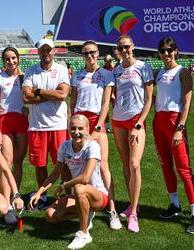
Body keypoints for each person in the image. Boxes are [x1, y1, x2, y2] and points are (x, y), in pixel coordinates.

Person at [29, 114, 109, 249]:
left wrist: (64, 185)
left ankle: (84, 234)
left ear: (87, 129)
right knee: (50, 216)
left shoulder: (93, 146)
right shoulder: (65, 147)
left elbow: (85, 178)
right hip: (77, 195)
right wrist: (39, 192)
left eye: (80, 129)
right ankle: (86, 213)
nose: (76, 132)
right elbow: (54, 174)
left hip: (98, 196)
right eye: (73, 128)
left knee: (79, 187)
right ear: (68, 129)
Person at [70, 40, 122, 230]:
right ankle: (87, 208)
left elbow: (106, 104)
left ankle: (112, 209)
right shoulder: (77, 75)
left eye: (92, 52)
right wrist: (72, 125)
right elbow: (72, 103)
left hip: (96, 123)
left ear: (98, 53)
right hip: (79, 123)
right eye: (86, 53)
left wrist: (98, 128)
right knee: (81, 166)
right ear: (82, 55)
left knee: (103, 167)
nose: (89, 56)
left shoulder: (107, 74)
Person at [153, 36, 194, 234]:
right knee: (165, 164)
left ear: (176, 51)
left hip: (175, 123)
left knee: (183, 168)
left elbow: (187, 102)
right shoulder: (158, 73)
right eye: (163, 50)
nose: (166, 54)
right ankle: (174, 204)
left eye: (169, 50)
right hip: (158, 121)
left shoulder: (182, 72)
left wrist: (180, 128)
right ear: (159, 53)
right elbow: (157, 96)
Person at [112, 35, 154, 232]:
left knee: (135, 164)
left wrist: (139, 124)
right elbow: (114, 93)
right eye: (121, 47)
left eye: (127, 46)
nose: (124, 49)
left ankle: (134, 213)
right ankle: (131, 205)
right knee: (126, 163)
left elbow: (148, 100)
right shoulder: (116, 70)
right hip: (118, 120)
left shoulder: (143, 67)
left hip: (135, 121)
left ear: (133, 46)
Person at [22, 38, 70, 208]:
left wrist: (39, 91)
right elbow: (26, 97)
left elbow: (63, 95)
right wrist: (51, 95)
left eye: (48, 50)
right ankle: (42, 198)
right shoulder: (31, 71)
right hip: (37, 125)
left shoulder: (62, 70)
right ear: (38, 52)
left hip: (58, 125)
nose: (46, 53)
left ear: (54, 51)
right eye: (42, 50)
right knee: (40, 164)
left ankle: (66, 194)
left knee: (63, 163)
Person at [0, 47, 28, 224]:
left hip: (22, 121)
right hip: (6, 122)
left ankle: (16, 197)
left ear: (18, 59)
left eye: (13, 58)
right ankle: (6, 206)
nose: (11, 61)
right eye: (7, 59)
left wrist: (28, 108)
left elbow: (28, 99)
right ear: (3, 61)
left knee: (19, 161)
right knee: (7, 162)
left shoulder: (24, 77)